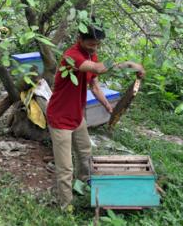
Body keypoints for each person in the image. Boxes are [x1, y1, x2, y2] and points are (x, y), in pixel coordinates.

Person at [46, 19, 145, 209]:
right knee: (66, 167)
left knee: (84, 152)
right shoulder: (72, 56)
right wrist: (130, 64)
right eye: (91, 43)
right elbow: (98, 68)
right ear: (79, 39)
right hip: (60, 119)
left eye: (98, 44)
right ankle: (66, 207)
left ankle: (84, 180)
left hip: (77, 115)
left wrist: (109, 107)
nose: (95, 47)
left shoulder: (91, 55)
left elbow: (95, 85)